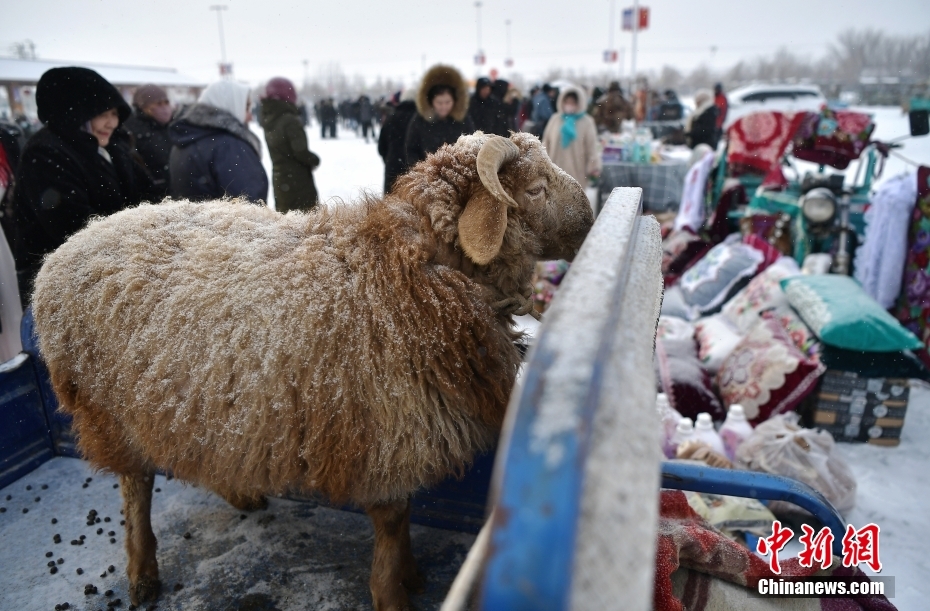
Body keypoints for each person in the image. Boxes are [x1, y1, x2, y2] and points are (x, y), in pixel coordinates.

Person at [11, 67, 155, 304]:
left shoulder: (112, 148)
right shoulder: (46, 154)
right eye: (104, 114)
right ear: (77, 113)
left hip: (114, 275)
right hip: (62, 288)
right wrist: (138, 245)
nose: (112, 122)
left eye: (115, 114)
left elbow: (149, 197)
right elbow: (72, 226)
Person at [168, 80, 268, 203]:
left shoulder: (187, 138)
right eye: (246, 107)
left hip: (195, 221)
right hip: (226, 222)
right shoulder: (229, 146)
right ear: (230, 104)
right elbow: (248, 204)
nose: (250, 116)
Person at [259, 77, 321, 212]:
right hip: (297, 181)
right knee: (308, 223)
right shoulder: (289, 120)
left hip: (280, 179)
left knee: (286, 224)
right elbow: (300, 151)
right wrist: (314, 160)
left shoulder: (269, 118)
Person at [405, 64, 474, 166]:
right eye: (439, 103)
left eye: (447, 102)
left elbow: (472, 145)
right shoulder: (420, 120)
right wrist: (419, 168)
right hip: (427, 175)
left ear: (455, 101)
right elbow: (411, 148)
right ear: (431, 101)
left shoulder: (463, 119)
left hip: (458, 175)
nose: (444, 106)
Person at [541, 84, 601, 187]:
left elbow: (591, 146)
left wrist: (593, 166)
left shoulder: (586, 122)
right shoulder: (555, 119)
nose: (569, 105)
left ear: (579, 103)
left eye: (573, 102)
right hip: (554, 169)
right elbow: (546, 141)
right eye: (567, 102)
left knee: (574, 199)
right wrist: (541, 162)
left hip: (577, 170)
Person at [123, 84, 173, 196]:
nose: (164, 108)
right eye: (158, 103)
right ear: (143, 106)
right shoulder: (131, 128)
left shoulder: (171, 125)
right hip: (151, 194)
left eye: (166, 103)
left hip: (173, 189)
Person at [378, 88, 418, 193]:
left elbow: (381, 146)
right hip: (414, 168)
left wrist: (389, 159)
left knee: (390, 204)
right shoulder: (420, 120)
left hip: (393, 166)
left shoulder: (391, 118)